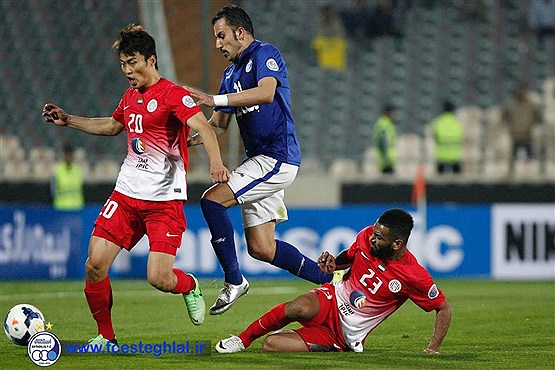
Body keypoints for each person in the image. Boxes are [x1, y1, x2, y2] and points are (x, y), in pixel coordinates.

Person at [41, 24, 229, 348]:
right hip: (126, 195)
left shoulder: (173, 95)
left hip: (164, 202)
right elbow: (113, 126)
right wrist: (69, 119)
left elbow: (205, 128)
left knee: (158, 278)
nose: (128, 71)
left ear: (152, 60)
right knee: (95, 264)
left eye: (133, 63)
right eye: (123, 65)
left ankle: (187, 286)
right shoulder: (129, 97)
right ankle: (106, 337)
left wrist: (216, 163)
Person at [186, 4, 333, 316]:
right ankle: (333, 280)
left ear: (240, 32)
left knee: (212, 201)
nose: (217, 44)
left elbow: (266, 93)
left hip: (277, 158)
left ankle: (234, 281)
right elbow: (219, 125)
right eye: (215, 37)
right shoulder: (229, 74)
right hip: (259, 161)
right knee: (262, 248)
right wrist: (189, 135)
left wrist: (215, 99)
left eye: (222, 36)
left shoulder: (266, 54)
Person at [215, 208, 452, 354]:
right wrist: (332, 264)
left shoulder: (413, 275)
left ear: (397, 244)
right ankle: (242, 339)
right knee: (298, 307)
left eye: (379, 238)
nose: (372, 239)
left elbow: (443, 308)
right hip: (332, 299)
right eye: (374, 233)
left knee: (271, 345)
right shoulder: (366, 236)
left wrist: (433, 346)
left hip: (343, 335)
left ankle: (326, 344)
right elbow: (346, 259)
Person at [502, 84, 542, 175]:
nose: (520, 94)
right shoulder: (511, 105)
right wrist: (509, 126)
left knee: (530, 157)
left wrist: (531, 125)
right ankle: (511, 173)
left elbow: (539, 118)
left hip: (528, 135)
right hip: (515, 135)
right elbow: (504, 117)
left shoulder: (532, 105)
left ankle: (531, 174)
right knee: (513, 158)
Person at [431, 101, 464, 174]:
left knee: (439, 181)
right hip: (455, 156)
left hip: (441, 156)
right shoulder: (457, 122)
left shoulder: (438, 122)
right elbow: (461, 137)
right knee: (458, 182)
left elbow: (434, 137)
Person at [312, 5, 348, 71]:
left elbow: (340, 36)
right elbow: (317, 40)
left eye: (329, 12)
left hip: (337, 62)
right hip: (324, 62)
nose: (327, 14)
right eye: (326, 12)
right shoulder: (320, 24)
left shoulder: (338, 24)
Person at [51, 143, 85, 211]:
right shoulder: (57, 171)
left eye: (71, 155)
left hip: (77, 207)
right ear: (64, 155)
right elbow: (53, 191)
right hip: (61, 208)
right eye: (67, 155)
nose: (69, 157)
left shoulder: (77, 170)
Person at [373, 104, 397, 174]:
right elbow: (383, 140)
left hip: (388, 161)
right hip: (386, 161)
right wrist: (386, 156)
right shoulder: (383, 123)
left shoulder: (388, 123)